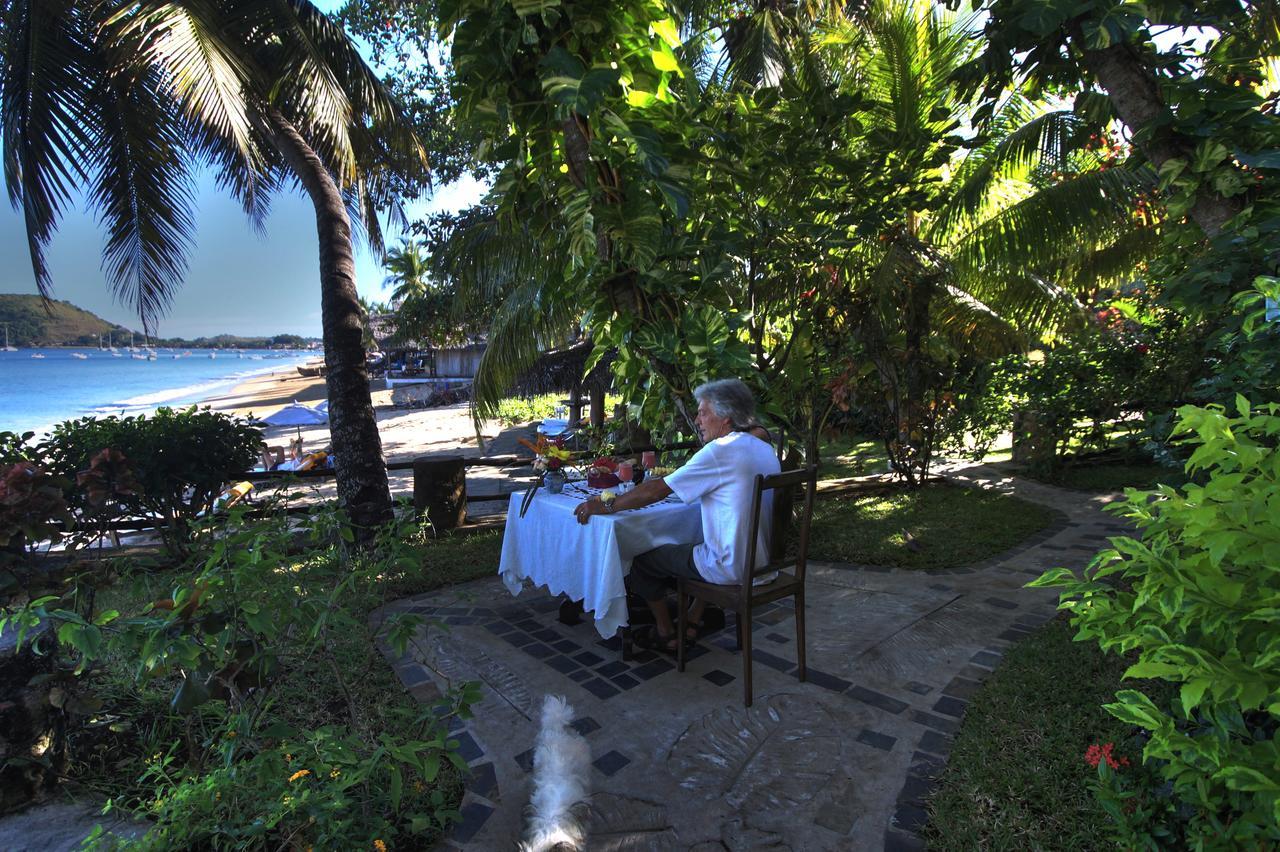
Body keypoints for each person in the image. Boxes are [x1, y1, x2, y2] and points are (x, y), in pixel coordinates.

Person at [574, 378, 780, 653]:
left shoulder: (720, 452)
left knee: (641, 560)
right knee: (696, 542)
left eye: (704, 412)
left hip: (732, 567)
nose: (697, 420)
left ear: (726, 416)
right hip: (762, 563)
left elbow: (656, 490)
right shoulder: (763, 448)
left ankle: (667, 633)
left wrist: (605, 505)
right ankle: (691, 620)